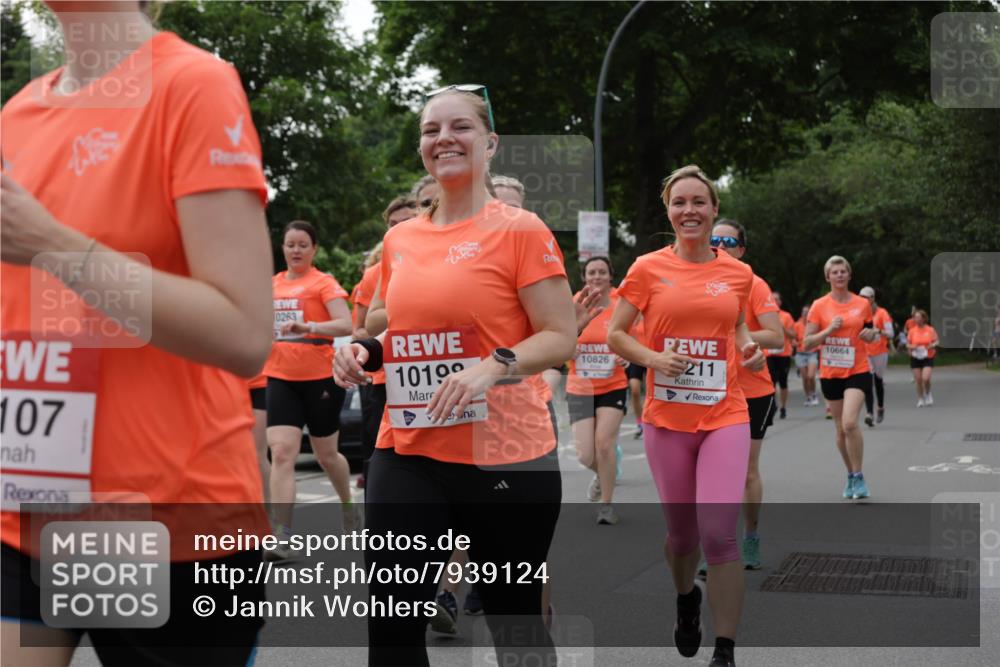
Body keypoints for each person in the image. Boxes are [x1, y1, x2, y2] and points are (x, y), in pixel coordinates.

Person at [1, 3, 271, 664]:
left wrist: (53, 245)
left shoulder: (192, 83)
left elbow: (242, 330)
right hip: (30, 510)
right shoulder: (15, 116)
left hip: (170, 518)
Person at [335, 84, 575, 666]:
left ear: (490, 143)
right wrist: (366, 351)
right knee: (391, 626)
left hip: (506, 456)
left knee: (514, 626)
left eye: (459, 127)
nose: (443, 138)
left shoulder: (521, 229)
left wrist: (493, 367)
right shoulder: (400, 240)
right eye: (430, 129)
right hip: (410, 447)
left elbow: (558, 335)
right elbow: (408, 331)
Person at [608, 165, 767, 667]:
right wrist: (652, 359)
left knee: (719, 533)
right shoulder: (647, 268)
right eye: (680, 202)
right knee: (682, 536)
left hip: (725, 413)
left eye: (699, 202)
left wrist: (749, 351)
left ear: (714, 209)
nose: (690, 210)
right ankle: (685, 601)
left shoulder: (738, 273)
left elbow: (738, 329)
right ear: (668, 209)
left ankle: (726, 648)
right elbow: (616, 333)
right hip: (667, 420)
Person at [264, 220, 358, 561]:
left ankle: (348, 506)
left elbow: (345, 324)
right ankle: (282, 533)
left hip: (321, 378)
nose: (296, 250)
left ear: (314, 249)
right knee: (283, 452)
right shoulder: (271, 285)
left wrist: (309, 326)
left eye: (303, 244)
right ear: (283, 248)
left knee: (326, 456)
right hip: (279, 376)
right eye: (290, 244)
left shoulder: (323, 283)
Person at [710, 220, 784, 571]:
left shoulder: (753, 284)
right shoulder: (694, 281)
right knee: (710, 472)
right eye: (714, 240)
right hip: (707, 390)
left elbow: (775, 336)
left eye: (729, 241)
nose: (721, 246)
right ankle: (715, 543)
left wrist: (734, 331)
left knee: (744, 472)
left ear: (741, 249)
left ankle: (750, 536)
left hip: (752, 390)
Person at [803, 256, 878, 500]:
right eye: (834, 272)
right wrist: (829, 330)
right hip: (831, 372)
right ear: (828, 277)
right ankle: (850, 474)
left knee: (849, 423)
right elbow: (807, 342)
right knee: (839, 429)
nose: (839, 275)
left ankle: (858, 476)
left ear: (849, 275)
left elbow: (871, 332)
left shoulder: (862, 304)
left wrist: (870, 334)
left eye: (843, 271)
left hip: (857, 369)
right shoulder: (819, 306)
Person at [567, 257, 629, 525]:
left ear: (610, 276)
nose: (596, 277)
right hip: (580, 385)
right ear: (584, 277)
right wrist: (571, 346)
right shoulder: (573, 304)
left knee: (604, 443)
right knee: (585, 454)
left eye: (602, 272)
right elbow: (556, 338)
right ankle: (604, 472)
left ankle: (606, 505)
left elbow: (634, 337)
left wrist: (626, 354)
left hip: (612, 384)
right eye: (591, 272)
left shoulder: (620, 304)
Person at [859, 286, 894, 425]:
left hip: (879, 352)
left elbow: (891, 333)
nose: (862, 300)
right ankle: (869, 413)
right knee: (868, 381)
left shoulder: (882, 313)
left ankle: (880, 407)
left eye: (866, 297)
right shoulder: (858, 313)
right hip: (864, 352)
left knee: (878, 381)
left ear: (872, 298)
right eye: (860, 297)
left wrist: (877, 330)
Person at [765, 291, 796, 419]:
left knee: (783, 382)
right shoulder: (764, 315)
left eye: (777, 299)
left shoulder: (786, 316)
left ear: (780, 302)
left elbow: (793, 335)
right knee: (770, 382)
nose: (774, 301)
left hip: (783, 354)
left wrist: (782, 328)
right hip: (769, 354)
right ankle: (772, 405)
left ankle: (783, 407)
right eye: (772, 299)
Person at [906, 309, 939, 407]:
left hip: (927, 356)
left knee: (926, 378)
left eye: (918, 317)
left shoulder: (930, 329)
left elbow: (937, 341)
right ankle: (920, 399)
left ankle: (928, 394)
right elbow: (907, 344)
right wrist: (912, 347)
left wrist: (932, 345)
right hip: (915, 356)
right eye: (915, 317)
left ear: (924, 318)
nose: (916, 319)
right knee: (918, 380)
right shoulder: (912, 331)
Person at [793, 305, 820, 405]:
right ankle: (808, 396)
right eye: (804, 312)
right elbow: (793, 337)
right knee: (805, 377)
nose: (805, 314)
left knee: (811, 376)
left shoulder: (814, 324)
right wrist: (794, 342)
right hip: (800, 353)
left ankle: (813, 394)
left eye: (807, 312)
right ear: (801, 314)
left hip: (812, 353)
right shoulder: (797, 325)